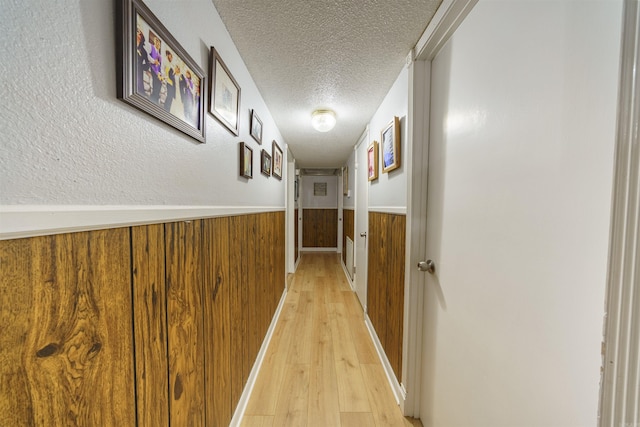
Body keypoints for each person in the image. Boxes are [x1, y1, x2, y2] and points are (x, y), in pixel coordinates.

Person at [135, 27, 150, 95]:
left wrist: (141, 66)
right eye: (137, 32)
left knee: (139, 89)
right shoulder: (129, 44)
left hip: (139, 72)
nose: (139, 34)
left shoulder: (144, 51)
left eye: (140, 34)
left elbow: (147, 64)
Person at [148, 36, 162, 104]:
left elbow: (160, 66)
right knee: (156, 83)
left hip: (157, 71)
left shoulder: (159, 55)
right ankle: (153, 98)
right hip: (152, 68)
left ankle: (155, 98)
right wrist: (153, 61)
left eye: (159, 43)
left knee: (159, 83)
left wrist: (159, 73)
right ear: (154, 42)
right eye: (156, 42)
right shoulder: (151, 47)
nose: (158, 44)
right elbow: (147, 55)